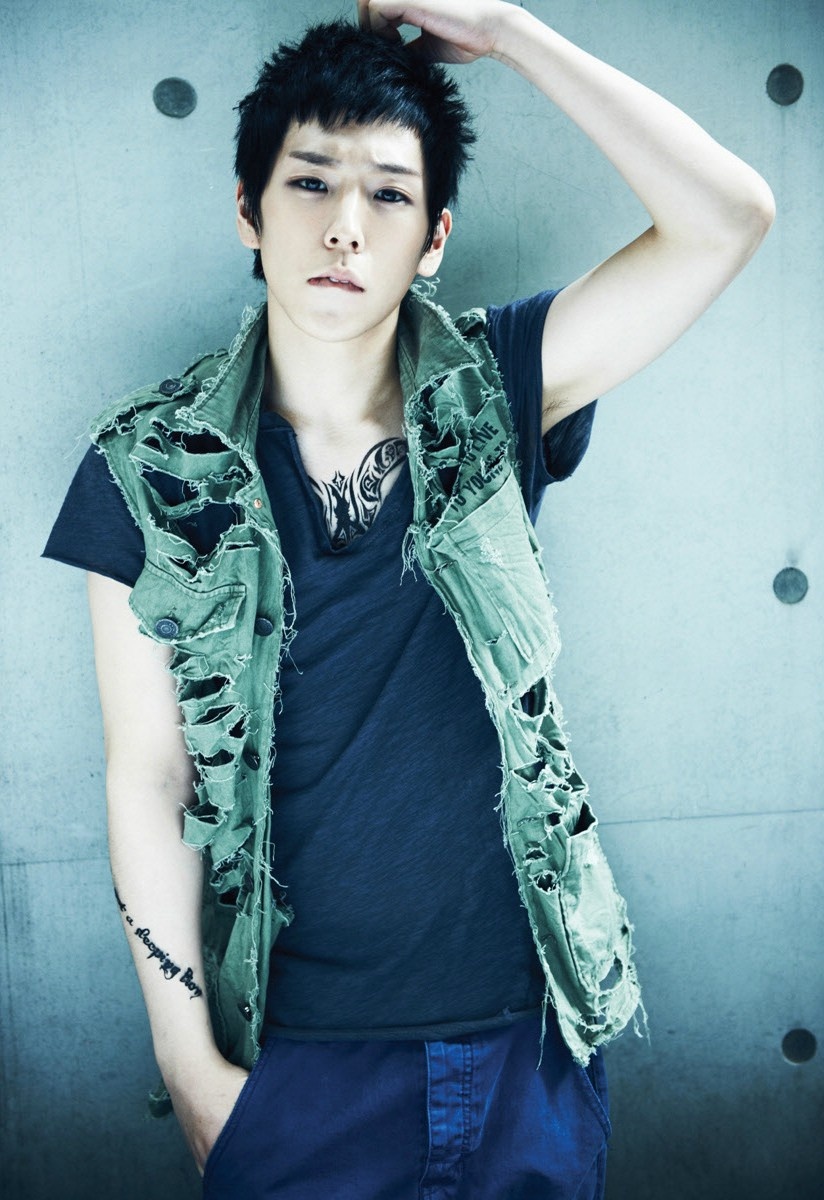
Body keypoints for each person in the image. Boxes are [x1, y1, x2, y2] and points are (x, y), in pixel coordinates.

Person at [44, 2, 774, 1196]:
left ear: (432, 239)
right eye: (309, 181)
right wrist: (189, 1067)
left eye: (387, 194)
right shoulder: (147, 467)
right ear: (248, 211)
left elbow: (727, 216)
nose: (344, 224)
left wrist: (509, 32)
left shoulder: (498, 386)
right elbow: (148, 776)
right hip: (289, 1063)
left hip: (523, 1046)